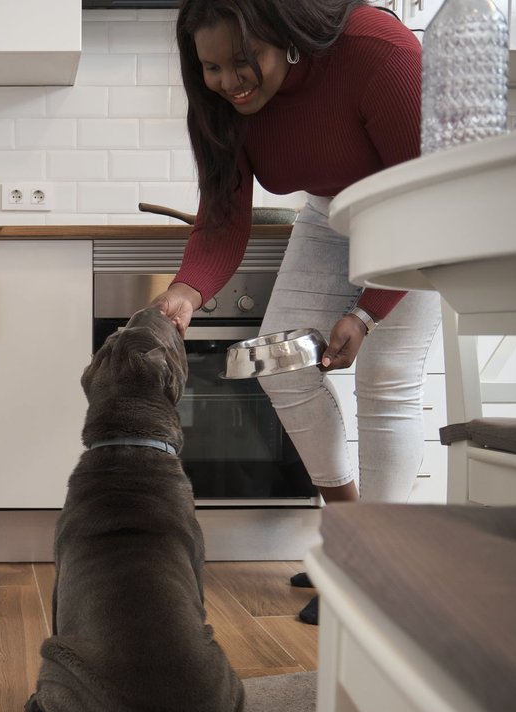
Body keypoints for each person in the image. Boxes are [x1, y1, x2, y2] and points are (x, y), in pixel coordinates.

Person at [150, 0, 441, 624]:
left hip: (415, 211)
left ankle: (378, 571)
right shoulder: (221, 108)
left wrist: (367, 313)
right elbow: (222, 220)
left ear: (283, 34)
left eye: (241, 59)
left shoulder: (377, 52)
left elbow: (429, 196)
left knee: (385, 382)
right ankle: (352, 538)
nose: (229, 81)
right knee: (280, 363)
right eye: (211, 67)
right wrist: (185, 292)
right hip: (332, 213)